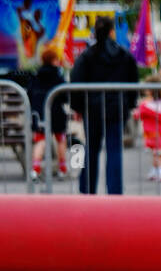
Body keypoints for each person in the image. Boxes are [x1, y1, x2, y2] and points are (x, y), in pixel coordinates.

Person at [70, 16, 138, 195]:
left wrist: (77, 107)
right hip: (117, 108)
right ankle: (114, 192)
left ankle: (87, 190)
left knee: (90, 150)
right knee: (114, 151)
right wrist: (129, 105)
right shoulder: (124, 55)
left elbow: (76, 81)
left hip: (91, 108)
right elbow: (134, 81)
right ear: (111, 31)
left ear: (94, 32)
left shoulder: (87, 56)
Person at [27, 43, 68, 181]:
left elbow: (29, 94)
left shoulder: (36, 75)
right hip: (56, 112)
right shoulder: (58, 76)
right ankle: (62, 169)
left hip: (39, 113)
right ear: (53, 60)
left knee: (40, 141)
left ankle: (35, 169)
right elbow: (64, 95)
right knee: (61, 140)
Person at [137, 79, 161, 183]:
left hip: (151, 134)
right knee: (156, 153)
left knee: (156, 154)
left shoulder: (147, 105)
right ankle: (154, 171)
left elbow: (138, 114)